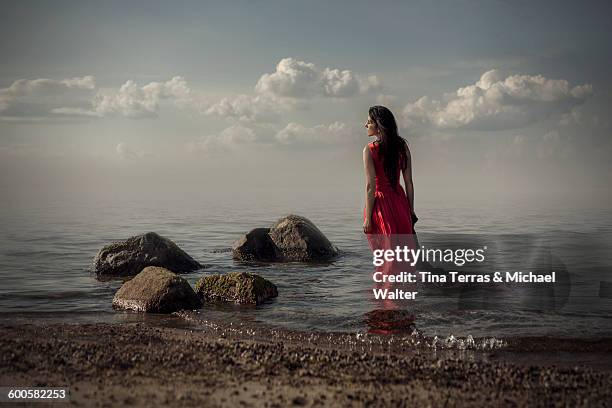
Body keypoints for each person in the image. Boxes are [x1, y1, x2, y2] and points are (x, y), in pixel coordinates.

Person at [362, 105, 416, 237]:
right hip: (400, 202)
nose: (365, 125)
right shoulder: (402, 146)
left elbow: (371, 186)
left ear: (379, 125)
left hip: (381, 204)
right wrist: (411, 210)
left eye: (369, 122)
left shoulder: (369, 150)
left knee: (386, 251)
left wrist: (368, 218)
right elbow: (408, 182)